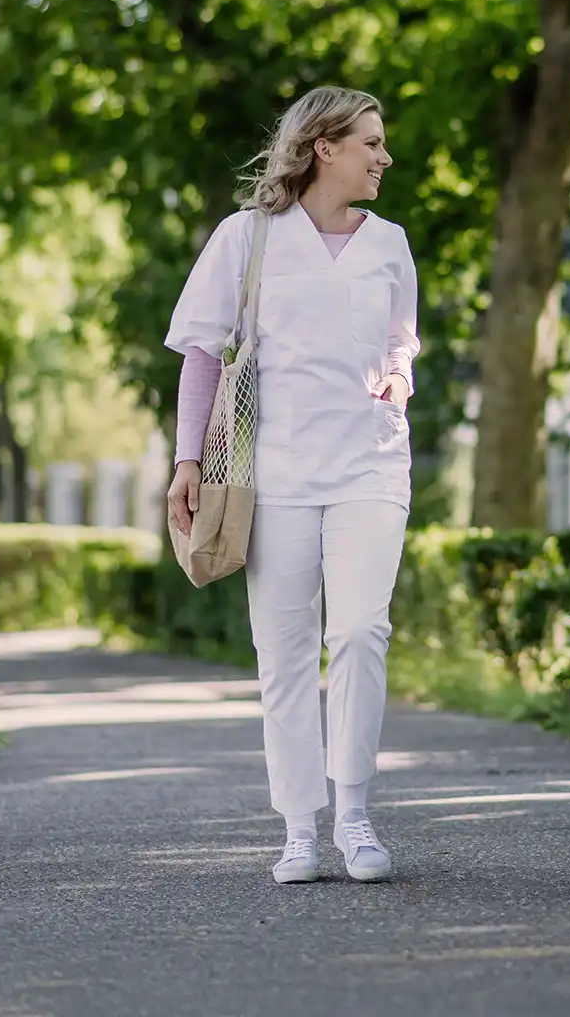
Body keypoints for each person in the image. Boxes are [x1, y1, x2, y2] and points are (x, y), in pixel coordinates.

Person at [164, 86, 419, 884]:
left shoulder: (391, 244)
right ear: (323, 148)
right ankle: (300, 830)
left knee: (359, 633)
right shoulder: (249, 237)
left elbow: (402, 343)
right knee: (282, 653)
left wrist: (397, 377)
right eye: (370, 142)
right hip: (270, 476)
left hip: (370, 466)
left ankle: (355, 817)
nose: (384, 157)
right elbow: (204, 355)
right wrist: (186, 464)